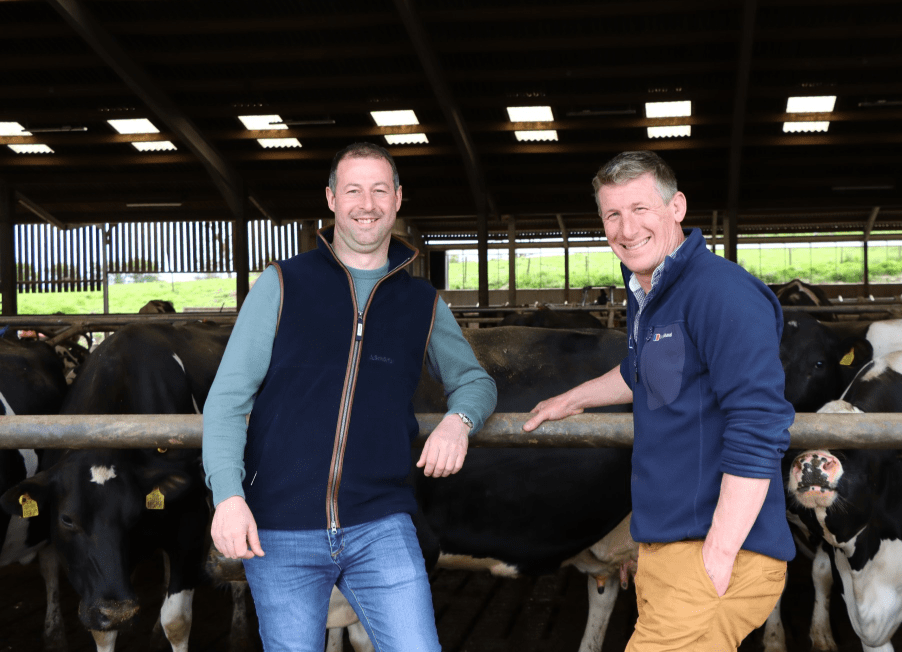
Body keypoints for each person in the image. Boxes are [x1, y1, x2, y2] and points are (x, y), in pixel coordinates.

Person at [203, 142, 497, 652]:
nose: (367, 203)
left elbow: (475, 380)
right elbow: (228, 399)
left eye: (380, 190)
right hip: (281, 526)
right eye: (354, 190)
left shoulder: (421, 302)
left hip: (380, 522)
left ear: (398, 199)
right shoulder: (281, 285)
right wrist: (228, 496)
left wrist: (459, 422)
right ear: (332, 198)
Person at [524, 150, 794, 651]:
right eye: (612, 215)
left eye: (640, 209)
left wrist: (717, 554)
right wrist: (573, 399)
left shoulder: (722, 293)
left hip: (717, 556)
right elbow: (643, 371)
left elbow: (759, 425)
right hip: (667, 553)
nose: (626, 229)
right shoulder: (650, 291)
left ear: (677, 208)